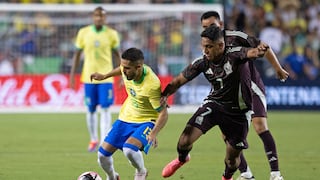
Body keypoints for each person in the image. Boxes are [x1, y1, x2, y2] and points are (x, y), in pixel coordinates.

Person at [161, 24, 269, 180]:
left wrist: (258, 51)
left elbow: (250, 52)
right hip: (214, 105)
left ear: (220, 45)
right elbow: (178, 81)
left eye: (209, 47)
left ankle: (227, 177)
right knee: (184, 141)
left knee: (232, 161)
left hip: (238, 113)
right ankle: (182, 159)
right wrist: (164, 94)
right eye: (203, 46)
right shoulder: (202, 62)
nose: (205, 51)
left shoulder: (235, 54)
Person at [199, 11, 289, 180]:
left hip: (251, 87)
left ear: (221, 25)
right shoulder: (206, 45)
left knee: (260, 126)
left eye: (211, 26)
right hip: (229, 94)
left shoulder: (235, 36)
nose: (208, 29)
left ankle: (275, 174)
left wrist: (277, 68)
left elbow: (263, 46)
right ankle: (246, 174)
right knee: (227, 134)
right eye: (204, 27)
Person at [90, 47, 168, 180]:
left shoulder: (151, 85)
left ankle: (141, 171)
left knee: (129, 150)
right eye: (122, 66)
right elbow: (119, 69)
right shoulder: (126, 69)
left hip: (146, 121)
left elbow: (164, 113)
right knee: (102, 156)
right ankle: (112, 177)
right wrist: (104, 76)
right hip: (126, 117)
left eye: (127, 68)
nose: (123, 71)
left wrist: (154, 132)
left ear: (138, 67)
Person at [69, 6, 121, 152]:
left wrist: (122, 74)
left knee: (105, 108)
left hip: (106, 77)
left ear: (105, 18)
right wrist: (73, 75)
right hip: (88, 77)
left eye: (102, 16)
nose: (99, 18)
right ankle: (93, 139)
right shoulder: (83, 33)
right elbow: (77, 55)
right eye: (97, 16)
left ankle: (104, 140)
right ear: (93, 17)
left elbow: (117, 54)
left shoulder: (112, 34)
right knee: (90, 109)